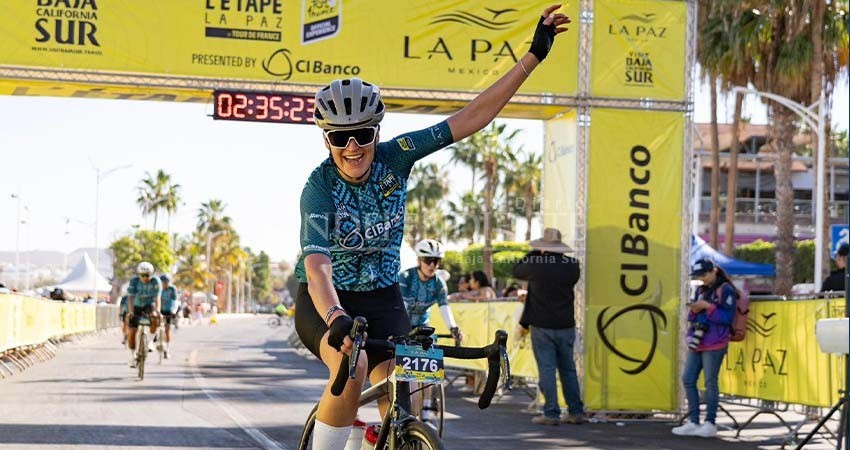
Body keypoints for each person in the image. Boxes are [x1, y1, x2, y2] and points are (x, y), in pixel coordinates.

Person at [292, 6, 570, 449]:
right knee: (354, 366)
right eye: (340, 136)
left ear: (376, 133)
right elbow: (318, 269)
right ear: (325, 138)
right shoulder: (318, 188)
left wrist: (534, 54)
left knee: (409, 392)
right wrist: (336, 317)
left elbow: (473, 116)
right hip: (328, 302)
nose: (352, 147)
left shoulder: (397, 154)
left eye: (362, 134)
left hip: (383, 295)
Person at [513, 227, 585, 425]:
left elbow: (517, 269)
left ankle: (551, 413)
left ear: (543, 247)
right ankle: (576, 411)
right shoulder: (572, 266)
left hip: (542, 325)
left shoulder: (536, 265)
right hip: (566, 324)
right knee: (568, 369)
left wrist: (534, 253)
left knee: (547, 369)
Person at [399, 239, 464, 422]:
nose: (432, 265)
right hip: (403, 324)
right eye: (428, 260)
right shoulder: (406, 277)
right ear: (419, 260)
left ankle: (426, 411)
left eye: (436, 261)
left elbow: (444, 307)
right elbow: (402, 306)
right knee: (409, 374)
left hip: (423, 328)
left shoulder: (438, 283)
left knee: (428, 370)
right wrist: (401, 331)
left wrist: (453, 328)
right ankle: (406, 409)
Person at [672, 258, 737, 438]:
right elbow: (693, 318)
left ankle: (710, 422)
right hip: (698, 341)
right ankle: (693, 421)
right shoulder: (701, 290)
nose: (701, 279)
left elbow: (726, 318)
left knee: (710, 382)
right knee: (688, 378)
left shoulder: (726, 289)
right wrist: (694, 312)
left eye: (704, 275)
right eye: (698, 276)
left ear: (714, 271)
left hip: (716, 342)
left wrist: (708, 307)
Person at [126, 261, 162, 368]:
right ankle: (132, 356)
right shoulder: (134, 281)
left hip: (149, 305)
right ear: (139, 274)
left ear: (152, 274)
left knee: (155, 317)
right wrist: (131, 311)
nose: (145, 278)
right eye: (142, 275)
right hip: (136, 305)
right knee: (132, 331)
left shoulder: (156, 281)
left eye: (148, 275)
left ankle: (150, 341)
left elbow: (157, 298)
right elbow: (130, 297)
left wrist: (158, 311)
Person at [159, 275, 179, 359]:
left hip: (169, 310)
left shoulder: (172, 289)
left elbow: (175, 301)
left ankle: (166, 349)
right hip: (159, 309)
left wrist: (174, 311)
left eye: (166, 283)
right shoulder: (158, 289)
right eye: (163, 283)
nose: (165, 284)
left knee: (167, 330)